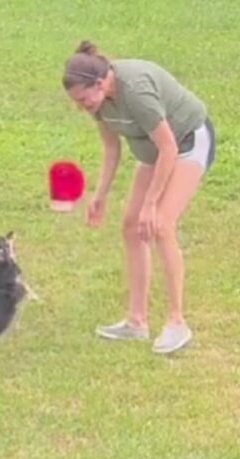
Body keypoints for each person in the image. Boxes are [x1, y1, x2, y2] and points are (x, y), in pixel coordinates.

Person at [62, 40, 215, 354]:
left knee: (160, 224)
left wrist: (151, 203)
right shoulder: (99, 102)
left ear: (101, 82)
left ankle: (176, 323)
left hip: (187, 141)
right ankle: (136, 321)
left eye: (83, 98)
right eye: (76, 101)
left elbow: (169, 148)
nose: (82, 106)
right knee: (131, 225)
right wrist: (100, 195)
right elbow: (111, 148)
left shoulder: (136, 91)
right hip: (154, 151)